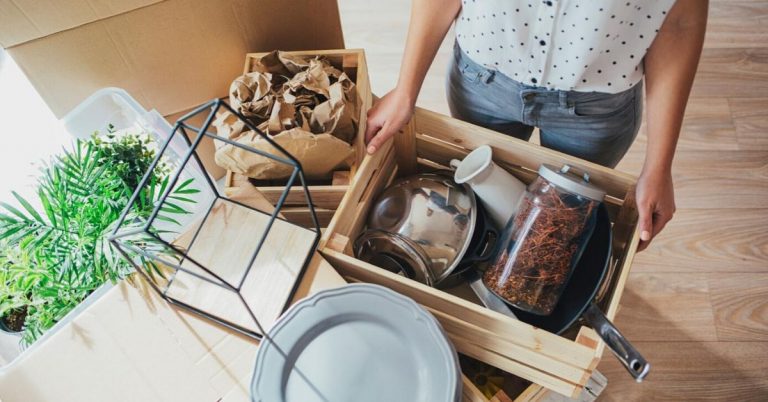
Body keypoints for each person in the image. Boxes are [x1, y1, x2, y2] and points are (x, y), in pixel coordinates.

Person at [364, 0, 707, 251]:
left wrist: (659, 166)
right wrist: (406, 90)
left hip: (594, 106)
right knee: (480, 196)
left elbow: (679, 23)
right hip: (483, 79)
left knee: (561, 221)